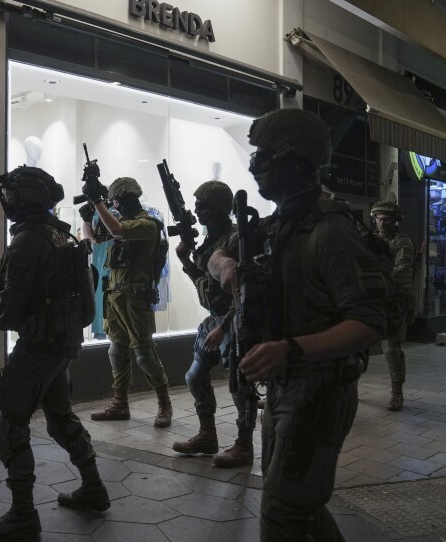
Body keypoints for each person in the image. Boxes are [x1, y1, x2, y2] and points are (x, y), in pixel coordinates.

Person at [208, 108, 387, 540]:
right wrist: (227, 264)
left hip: (321, 389)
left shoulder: (329, 232)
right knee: (296, 504)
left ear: (295, 159)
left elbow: (369, 321)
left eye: (265, 156)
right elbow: (213, 257)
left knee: (283, 511)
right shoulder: (275, 225)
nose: (255, 167)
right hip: (286, 385)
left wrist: (292, 348)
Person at [0, 166, 110, 541]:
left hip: (38, 346)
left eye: (11, 196)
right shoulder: (58, 234)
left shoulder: (27, 240)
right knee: (59, 417)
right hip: (62, 343)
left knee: (8, 429)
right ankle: (94, 487)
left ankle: (22, 516)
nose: (7, 202)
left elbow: (12, 309)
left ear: (25, 199)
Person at [171, 180, 258, 468]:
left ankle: (244, 445)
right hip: (215, 320)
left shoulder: (234, 240)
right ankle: (207, 435)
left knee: (239, 386)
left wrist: (225, 327)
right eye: (197, 208)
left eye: (206, 208)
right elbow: (205, 285)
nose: (199, 213)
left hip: (234, 321)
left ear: (222, 210)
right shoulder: (210, 241)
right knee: (194, 377)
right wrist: (186, 261)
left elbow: (244, 290)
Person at [80, 176, 172, 427]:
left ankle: (164, 403)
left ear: (130, 199)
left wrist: (99, 202)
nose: (116, 206)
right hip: (114, 298)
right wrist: (87, 218)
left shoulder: (147, 224)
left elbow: (117, 231)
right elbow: (93, 240)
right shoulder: (120, 220)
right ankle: (120, 404)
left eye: (117, 201)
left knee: (143, 353)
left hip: (135, 299)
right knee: (116, 350)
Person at [371, 199, 416, 411]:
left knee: (390, 348)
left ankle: (397, 392)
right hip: (370, 301)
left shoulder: (402, 243)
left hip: (394, 301)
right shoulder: (370, 240)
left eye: (386, 219)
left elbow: (402, 269)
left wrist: (378, 279)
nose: (381, 223)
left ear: (395, 221)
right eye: (378, 219)